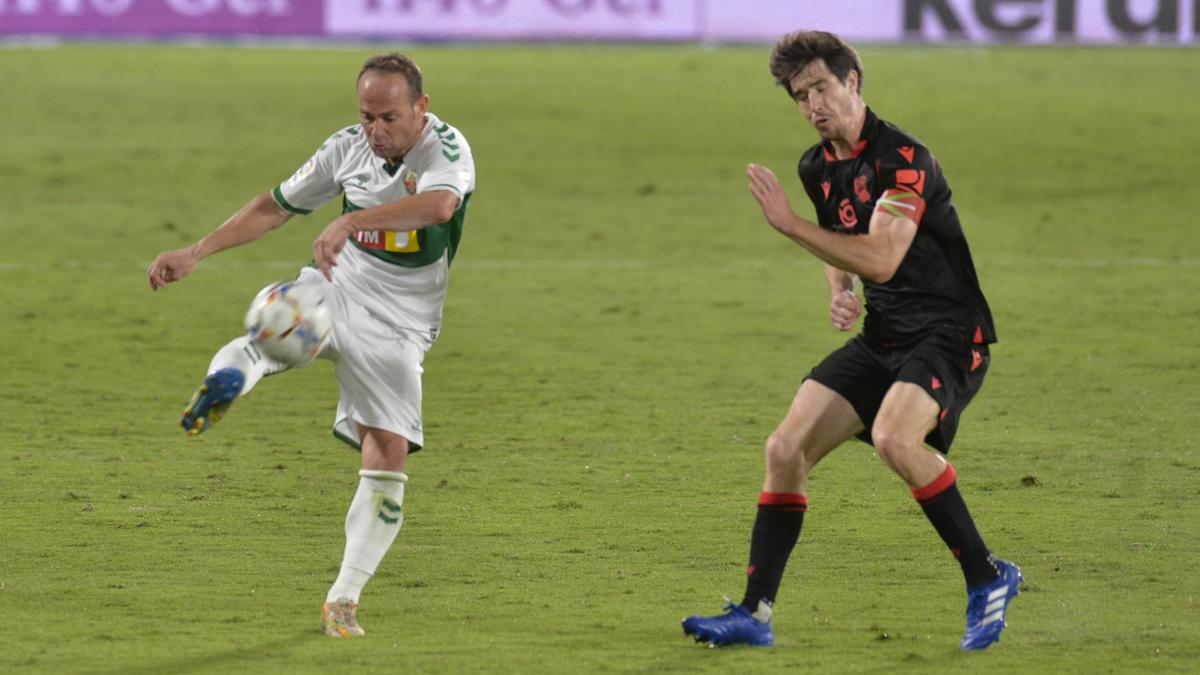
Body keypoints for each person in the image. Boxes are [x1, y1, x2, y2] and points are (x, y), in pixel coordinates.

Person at [682, 30, 1020, 650]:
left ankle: (988, 575)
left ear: (852, 82)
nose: (811, 104)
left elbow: (885, 257)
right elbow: (843, 237)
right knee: (785, 449)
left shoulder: (904, 160)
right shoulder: (817, 165)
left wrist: (787, 225)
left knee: (895, 437)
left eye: (820, 88)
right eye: (799, 95)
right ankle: (754, 614)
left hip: (948, 333)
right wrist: (838, 286)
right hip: (884, 333)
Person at [147, 53, 475, 638]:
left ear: (421, 108)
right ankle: (234, 377)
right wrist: (195, 252)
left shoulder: (446, 149)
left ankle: (343, 597)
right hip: (339, 286)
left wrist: (349, 221)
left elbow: (440, 205)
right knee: (280, 320)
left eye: (390, 117)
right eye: (367, 116)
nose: (376, 130)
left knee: (388, 451)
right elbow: (274, 207)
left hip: (401, 323)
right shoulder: (347, 147)